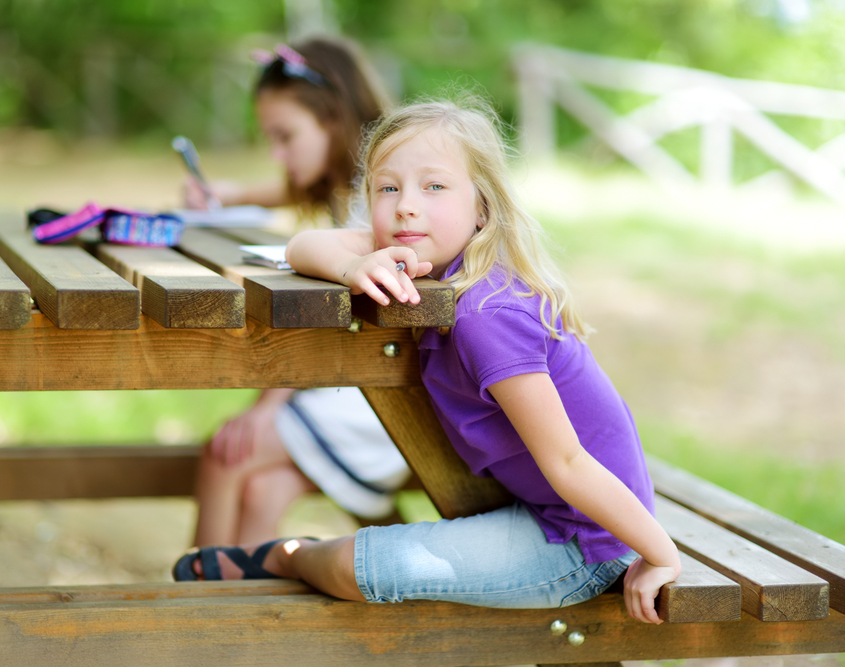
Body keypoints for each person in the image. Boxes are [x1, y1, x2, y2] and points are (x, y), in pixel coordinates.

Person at [174, 97, 682, 625]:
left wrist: (660, 554)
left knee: (354, 568)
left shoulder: (488, 314)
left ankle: (285, 554)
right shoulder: (426, 259)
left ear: (481, 206)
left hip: (589, 544)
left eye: (434, 186)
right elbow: (302, 245)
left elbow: (569, 462)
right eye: (387, 187)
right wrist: (352, 264)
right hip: (546, 511)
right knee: (355, 557)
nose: (405, 206)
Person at [185, 37, 410, 548]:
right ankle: (238, 620)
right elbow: (291, 187)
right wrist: (231, 195)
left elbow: (326, 311)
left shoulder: (382, 195)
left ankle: (192, 607)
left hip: (386, 403)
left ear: (332, 117)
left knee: (225, 454)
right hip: (364, 381)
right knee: (262, 490)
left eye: (285, 136)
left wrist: (268, 406)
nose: (277, 154)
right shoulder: (363, 180)